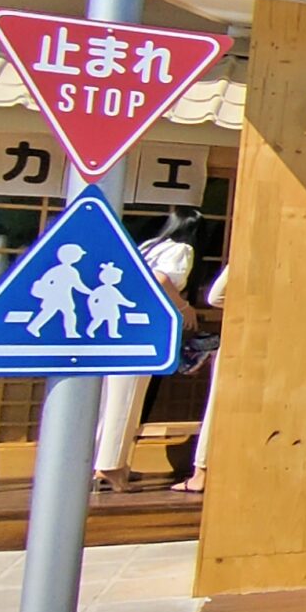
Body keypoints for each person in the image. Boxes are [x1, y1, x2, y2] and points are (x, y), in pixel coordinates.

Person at [93, 209, 199, 492]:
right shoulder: (181, 249)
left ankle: (103, 461)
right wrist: (184, 306)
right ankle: (111, 467)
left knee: (108, 398)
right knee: (127, 399)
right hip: (144, 328)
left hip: (117, 325)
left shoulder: (149, 246)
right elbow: (162, 279)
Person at [174, 261, 227, 495]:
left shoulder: (254, 252)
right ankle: (202, 471)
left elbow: (216, 296)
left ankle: (202, 472)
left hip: (248, 337)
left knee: (219, 405)